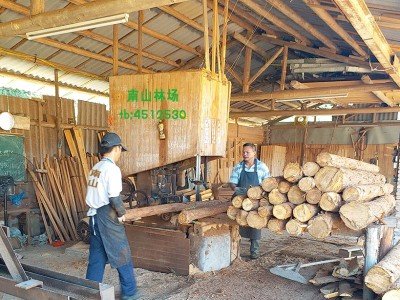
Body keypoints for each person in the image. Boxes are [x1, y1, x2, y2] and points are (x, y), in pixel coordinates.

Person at [85, 132, 139, 300]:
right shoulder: (112, 169)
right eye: (120, 150)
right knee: (122, 253)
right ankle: (129, 293)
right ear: (116, 148)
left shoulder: (95, 168)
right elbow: (114, 197)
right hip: (107, 216)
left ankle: (90, 293)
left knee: (97, 258)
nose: (120, 153)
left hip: (93, 218)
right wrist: (122, 213)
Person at [229, 142, 270, 259]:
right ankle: (236, 252)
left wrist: (259, 193)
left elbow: (267, 185)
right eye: (243, 152)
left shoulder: (262, 167)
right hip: (240, 201)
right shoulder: (238, 167)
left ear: (254, 153)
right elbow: (232, 182)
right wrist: (236, 188)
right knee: (238, 224)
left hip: (256, 202)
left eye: (248, 152)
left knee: (255, 226)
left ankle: (254, 252)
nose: (245, 154)